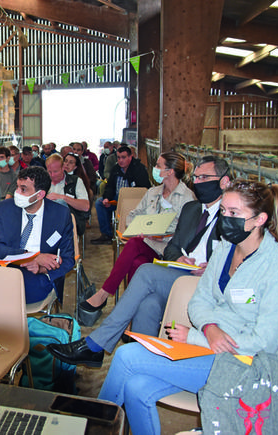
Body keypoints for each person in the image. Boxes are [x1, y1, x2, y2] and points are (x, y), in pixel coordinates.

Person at [96, 179, 278, 435]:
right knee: (136, 388)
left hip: (243, 363)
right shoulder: (226, 248)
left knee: (126, 357)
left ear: (260, 220)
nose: (225, 218)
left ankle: (92, 426)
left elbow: (266, 342)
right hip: (209, 345)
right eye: (224, 211)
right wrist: (210, 327)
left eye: (234, 213)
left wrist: (198, 337)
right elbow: (200, 299)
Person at [47, 156, 232, 367]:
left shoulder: (231, 216)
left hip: (205, 281)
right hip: (178, 270)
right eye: (196, 177)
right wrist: (178, 257)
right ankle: (141, 364)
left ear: (224, 182)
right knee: (148, 302)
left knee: (144, 270)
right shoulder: (193, 209)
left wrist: (213, 266)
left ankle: (96, 343)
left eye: (205, 177)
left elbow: (236, 261)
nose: (198, 182)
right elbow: (173, 249)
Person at [81, 152, 195, 312]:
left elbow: (186, 231)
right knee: (137, 261)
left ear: (170, 171)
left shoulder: (187, 198)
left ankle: (104, 294)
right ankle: (131, 313)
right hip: (148, 243)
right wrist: (142, 228)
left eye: (158, 166)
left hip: (168, 249)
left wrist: (160, 232)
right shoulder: (153, 192)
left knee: (135, 250)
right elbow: (133, 215)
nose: (154, 169)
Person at [0, 167, 75, 304]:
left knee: (15, 292)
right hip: (5, 265)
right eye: (17, 187)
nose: (16, 193)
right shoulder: (4, 209)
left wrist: (41, 268)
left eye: (23, 189)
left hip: (35, 274)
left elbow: (68, 259)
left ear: (40, 195)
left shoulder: (60, 215)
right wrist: (33, 256)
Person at [92, 144, 150, 245]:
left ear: (130, 157)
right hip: (116, 199)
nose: (120, 160)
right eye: (118, 157)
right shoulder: (115, 169)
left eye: (123, 157)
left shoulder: (139, 169)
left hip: (133, 201)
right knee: (99, 203)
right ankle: (107, 234)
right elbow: (110, 187)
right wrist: (107, 198)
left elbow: (143, 189)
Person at [45, 154, 90, 236]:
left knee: (60, 203)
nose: (52, 175)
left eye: (55, 171)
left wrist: (63, 197)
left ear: (63, 168)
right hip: (47, 221)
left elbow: (85, 207)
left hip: (72, 222)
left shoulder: (76, 181)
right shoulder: (43, 182)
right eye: (49, 171)